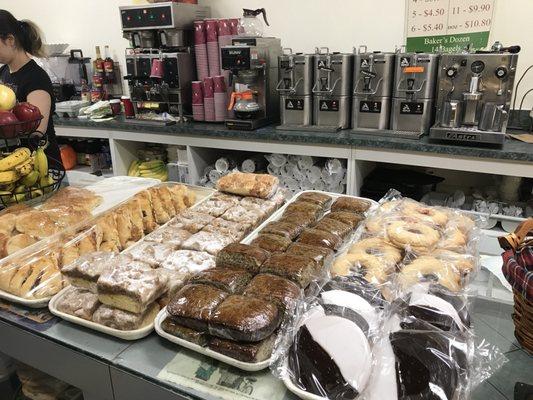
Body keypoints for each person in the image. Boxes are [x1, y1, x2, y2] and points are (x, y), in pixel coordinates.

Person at [0, 9, 62, 168]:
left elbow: (37, 131)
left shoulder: (36, 78)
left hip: (41, 168)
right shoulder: (3, 72)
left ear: (10, 40)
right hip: (12, 166)